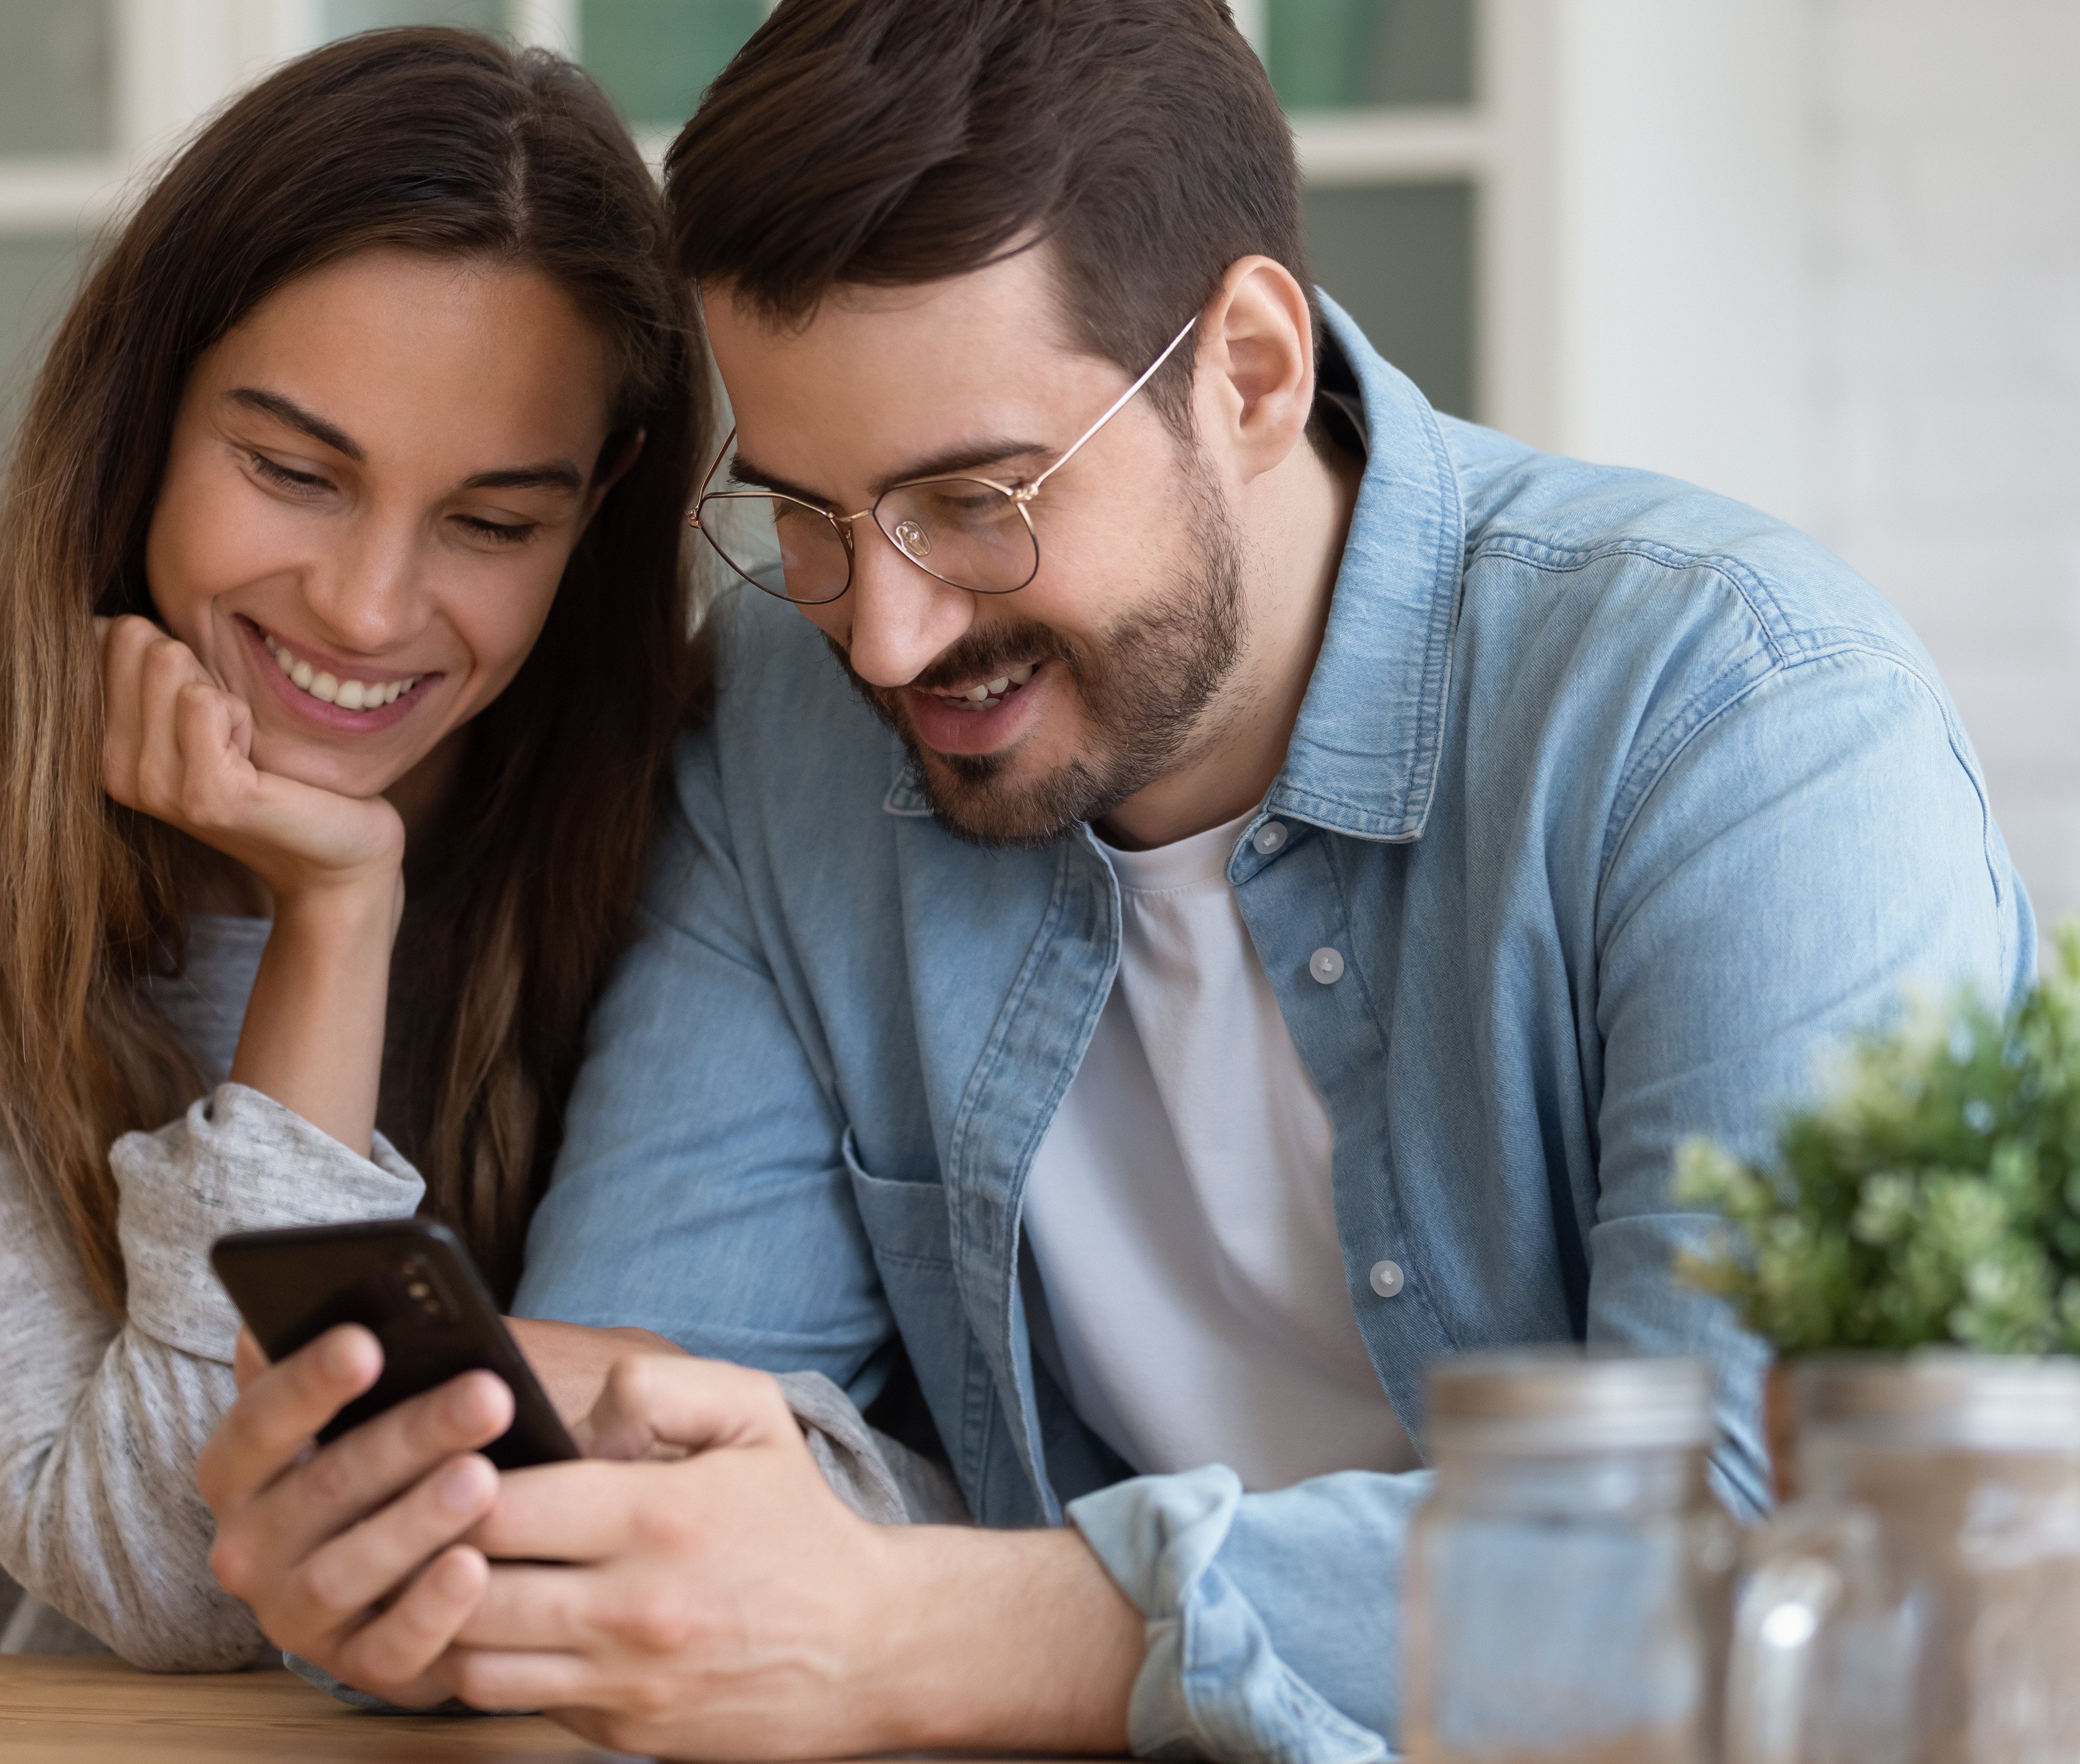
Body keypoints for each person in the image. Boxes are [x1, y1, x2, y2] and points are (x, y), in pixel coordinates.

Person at [196, 0, 2039, 1755]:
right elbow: (677, 1407)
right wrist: (457, 1531)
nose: (891, 635)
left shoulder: (1736, 719)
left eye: (977, 501)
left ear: (1248, 369)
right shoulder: (786, 727)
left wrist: (921, 1630)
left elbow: (1768, 1546)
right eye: (811, 521)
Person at [0, 29, 706, 1666]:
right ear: (144, 415)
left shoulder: (689, 820)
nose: (368, 606)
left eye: (491, 522)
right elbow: (179, 1584)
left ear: (600, 502)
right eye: (291, 470)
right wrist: (333, 914)